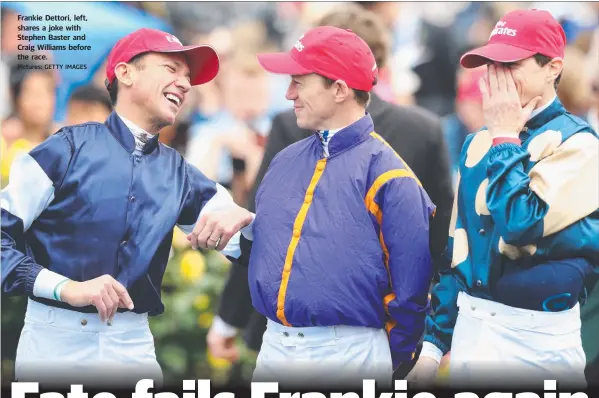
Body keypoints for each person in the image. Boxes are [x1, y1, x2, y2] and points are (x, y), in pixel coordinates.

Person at [207, 6, 455, 383]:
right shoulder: (286, 159)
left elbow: (412, 296)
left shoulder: (392, 178)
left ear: (339, 89)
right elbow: (282, 252)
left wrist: (382, 361)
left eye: (299, 82)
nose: (288, 93)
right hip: (274, 348)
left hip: (349, 355)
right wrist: (232, 236)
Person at [1, 28, 253, 388]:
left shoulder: (181, 174)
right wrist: (65, 287)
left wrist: (251, 224)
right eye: (171, 68)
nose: (184, 83)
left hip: (132, 345)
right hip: (53, 341)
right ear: (125, 73)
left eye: (188, 76)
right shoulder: (63, 150)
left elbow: (255, 245)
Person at [407, 9, 599, 389]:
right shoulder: (478, 142)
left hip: (541, 340)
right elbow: (457, 253)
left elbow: (519, 224)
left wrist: (505, 137)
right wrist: (431, 348)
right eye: (492, 62)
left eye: (511, 63)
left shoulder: (580, 144)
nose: (496, 75)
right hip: (473, 330)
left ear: (552, 68)